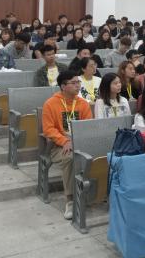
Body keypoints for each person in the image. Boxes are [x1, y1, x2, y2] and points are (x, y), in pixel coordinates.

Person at [42, 70, 92, 219]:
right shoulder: (50, 104)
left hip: (80, 144)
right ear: (63, 86)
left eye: (78, 82)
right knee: (70, 158)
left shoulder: (83, 104)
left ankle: (95, 193)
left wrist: (75, 141)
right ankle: (70, 200)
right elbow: (48, 130)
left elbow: (88, 126)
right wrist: (65, 141)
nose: (78, 85)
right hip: (58, 147)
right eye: (74, 83)